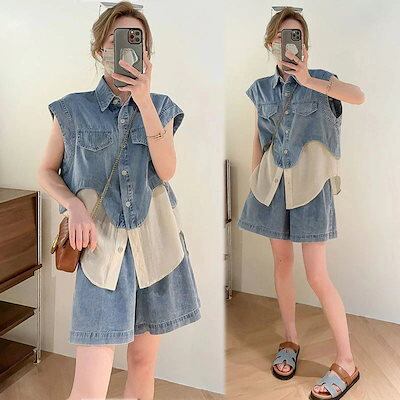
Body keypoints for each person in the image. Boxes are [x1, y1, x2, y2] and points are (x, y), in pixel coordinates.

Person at [37, 2, 201, 399]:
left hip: (154, 250)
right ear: (100, 49)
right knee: (90, 382)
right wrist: (74, 206)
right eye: (116, 41)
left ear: (146, 53)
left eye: (136, 42)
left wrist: (143, 100)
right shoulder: (72, 110)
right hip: (101, 252)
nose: (127, 50)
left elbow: (167, 171)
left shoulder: (160, 107)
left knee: (142, 365)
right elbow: (46, 171)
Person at [237, 7, 365, 400]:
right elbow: (260, 138)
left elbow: (358, 97)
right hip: (272, 188)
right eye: (281, 37)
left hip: (311, 189)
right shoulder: (260, 89)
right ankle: (290, 340)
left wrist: (309, 80)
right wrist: (256, 180)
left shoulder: (323, 80)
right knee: (282, 263)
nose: (287, 44)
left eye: (295, 37)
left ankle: (347, 362)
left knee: (317, 275)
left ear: (304, 45)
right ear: (270, 42)